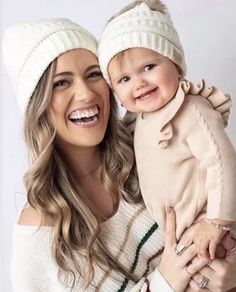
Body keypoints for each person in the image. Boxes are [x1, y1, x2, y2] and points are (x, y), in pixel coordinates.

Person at [2, 18, 236, 292]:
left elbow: (221, 203)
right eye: (61, 83)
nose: (86, 93)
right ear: (37, 105)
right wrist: (165, 283)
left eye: (93, 75)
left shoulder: (150, 149)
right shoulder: (39, 234)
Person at [98, 0, 236, 261]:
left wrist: (217, 220)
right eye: (124, 79)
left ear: (176, 63)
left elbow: (221, 162)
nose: (139, 83)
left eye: (149, 67)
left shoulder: (191, 111)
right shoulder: (139, 121)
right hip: (181, 239)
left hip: (212, 230)